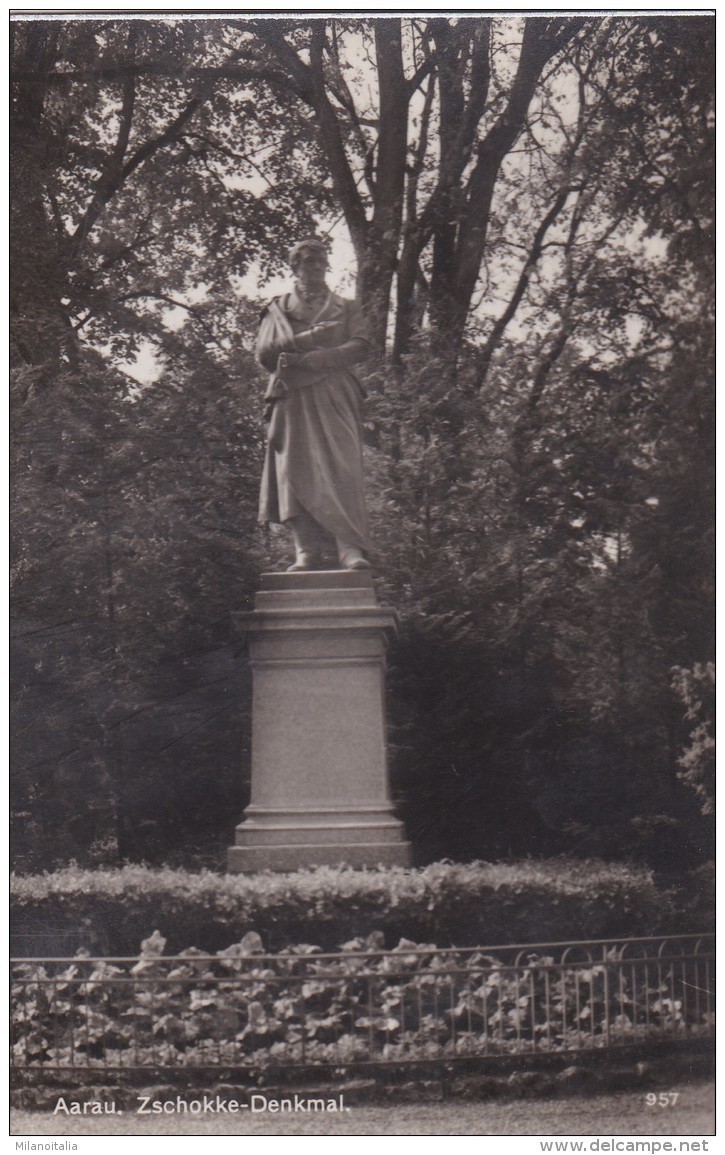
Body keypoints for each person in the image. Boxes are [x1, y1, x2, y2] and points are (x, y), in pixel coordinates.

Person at [256, 238, 373, 572]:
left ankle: (349, 547)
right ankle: (305, 550)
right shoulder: (277, 308)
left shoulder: (346, 306)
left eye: (321, 261)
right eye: (308, 261)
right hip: (293, 394)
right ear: (295, 267)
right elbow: (264, 354)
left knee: (343, 466)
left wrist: (326, 357)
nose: (317, 267)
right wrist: (305, 341)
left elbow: (363, 344)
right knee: (295, 466)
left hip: (336, 391)